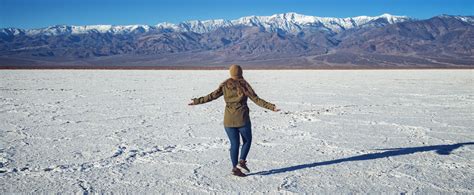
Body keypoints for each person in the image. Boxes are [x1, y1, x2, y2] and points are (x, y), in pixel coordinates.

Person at [188, 64, 280, 177]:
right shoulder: (244, 85)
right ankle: (241, 161)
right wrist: (271, 107)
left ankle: (234, 168)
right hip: (242, 119)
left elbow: (212, 96)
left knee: (234, 144)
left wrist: (197, 101)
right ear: (241, 73)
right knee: (247, 141)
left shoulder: (225, 85)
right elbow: (256, 99)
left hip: (228, 120)